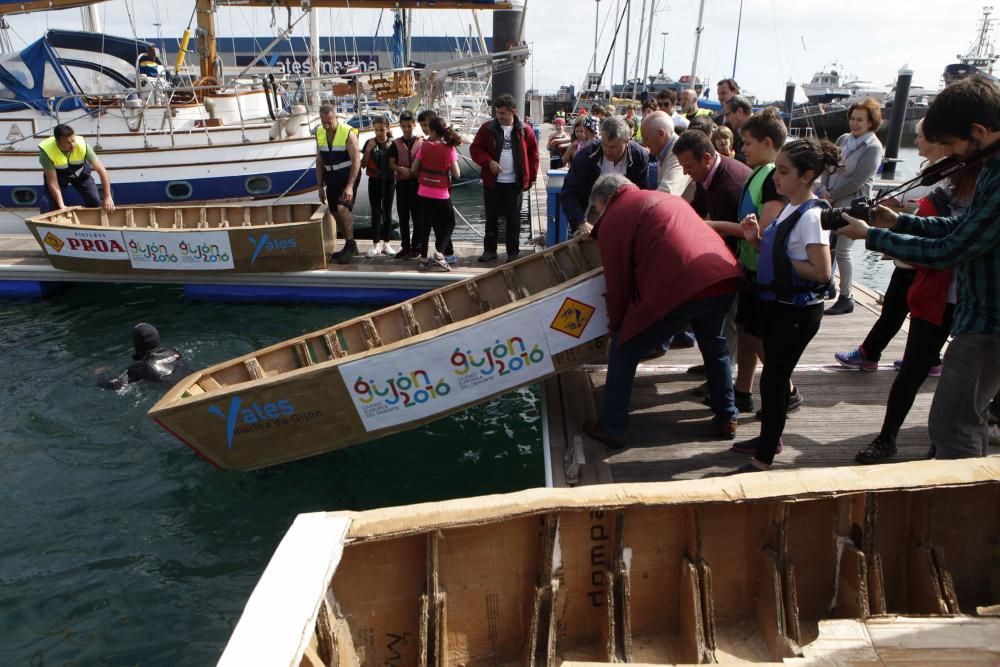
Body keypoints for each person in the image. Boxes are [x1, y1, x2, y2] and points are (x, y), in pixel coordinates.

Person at [836, 75, 1000, 460]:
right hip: (980, 317)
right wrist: (898, 221)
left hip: (991, 324)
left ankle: (957, 509)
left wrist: (870, 236)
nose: (950, 154)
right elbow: (964, 227)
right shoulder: (990, 164)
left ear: (978, 131)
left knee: (953, 424)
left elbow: (951, 249)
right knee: (959, 420)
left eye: (951, 145)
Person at [581, 174, 745, 449]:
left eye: (597, 210)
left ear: (604, 201)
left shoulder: (615, 217)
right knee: (715, 346)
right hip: (721, 274)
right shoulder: (666, 198)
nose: (598, 216)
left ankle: (612, 427)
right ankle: (727, 416)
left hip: (682, 284)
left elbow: (618, 284)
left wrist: (616, 330)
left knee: (624, 350)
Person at [854, 164, 978, 463]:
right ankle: (888, 437)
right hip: (938, 296)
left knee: (967, 381)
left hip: (976, 302)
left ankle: (943, 439)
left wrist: (876, 235)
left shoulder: (989, 190)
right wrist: (897, 221)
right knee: (912, 370)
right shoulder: (947, 190)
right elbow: (946, 229)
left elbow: (948, 247)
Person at [730, 138, 838, 473]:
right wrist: (757, 241)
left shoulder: (811, 216)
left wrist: (779, 257)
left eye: (784, 171)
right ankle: (769, 438)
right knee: (772, 378)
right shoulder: (791, 205)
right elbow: (780, 253)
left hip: (798, 310)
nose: (776, 177)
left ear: (806, 176)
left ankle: (764, 456)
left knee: (774, 381)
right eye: (776, 168)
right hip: (780, 305)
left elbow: (819, 270)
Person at [834, 119, 951, 372]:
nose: (916, 140)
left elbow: (931, 211)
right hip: (909, 252)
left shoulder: (946, 176)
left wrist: (903, 210)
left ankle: (876, 355)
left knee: (899, 308)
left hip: (919, 252)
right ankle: (923, 358)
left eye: (920, 136)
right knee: (897, 308)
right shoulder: (929, 170)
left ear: (937, 142)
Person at [817, 98, 884, 314]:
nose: (855, 123)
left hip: (852, 205)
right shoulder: (844, 139)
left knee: (844, 251)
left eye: (860, 120)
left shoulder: (873, 147)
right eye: (853, 118)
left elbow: (857, 180)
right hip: (831, 200)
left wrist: (833, 195)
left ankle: (847, 297)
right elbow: (828, 163)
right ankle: (829, 285)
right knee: (827, 245)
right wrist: (825, 189)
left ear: (870, 122)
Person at [470, 94, 540, 263]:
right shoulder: (487, 129)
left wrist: (530, 179)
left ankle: (513, 252)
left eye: (502, 113)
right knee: (491, 218)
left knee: (514, 220)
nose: (499, 116)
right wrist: (489, 162)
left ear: (512, 112)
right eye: (497, 113)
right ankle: (489, 251)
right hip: (493, 182)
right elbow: (475, 149)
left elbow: (534, 155)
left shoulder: (525, 130)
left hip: (514, 184)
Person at [561, 117, 650, 234]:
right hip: (591, 210)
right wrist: (580, 222)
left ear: (626, 141)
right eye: (604, 145)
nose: (607, 151)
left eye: (613, 147)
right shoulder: (585, 157)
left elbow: (641, 194)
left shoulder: (639, 156)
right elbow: (569, 192)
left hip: (625, 212)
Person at [411, 116, 462, 271]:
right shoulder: (450, 149)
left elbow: (414, 169)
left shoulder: (424, 146)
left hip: (423, 192)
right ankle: (440, 253)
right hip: (441, 194)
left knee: (425, 226)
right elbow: (457, 174)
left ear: (432, 131)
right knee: (449, 223)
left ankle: (424, 259)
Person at [315, 105, 361, 263]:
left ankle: (350, 244)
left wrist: (350, 186)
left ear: (336, 118)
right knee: (334, 210)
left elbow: (356, 161)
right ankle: (350, 245)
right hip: (332, 176)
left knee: (342, 208)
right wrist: (320, 186)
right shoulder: (320, 132)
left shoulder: (348, 133)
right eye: (323, 122)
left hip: (348, 174)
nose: (326, 125)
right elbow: (320, 160)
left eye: (329, 121)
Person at [38, 124, 115, 214]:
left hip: (81, 175)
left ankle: (89, 225)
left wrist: (108, 196)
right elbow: (53, 183)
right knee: (46, 205)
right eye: (68, 143)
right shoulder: (46, 153)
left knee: (95, 201)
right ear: (58, 142)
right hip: (59, 178)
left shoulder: (83, 145)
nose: (72, 145)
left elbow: (102, 171)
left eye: (73, 141)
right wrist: (62, 205)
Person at [97, 323, 190, 390]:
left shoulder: (140, 366)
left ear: (137, 344)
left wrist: (100, 374)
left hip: (175, 393)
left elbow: (117, 386)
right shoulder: (173, 352)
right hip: (192, 383)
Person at [360, 115, 397, 257]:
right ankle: (376, 244)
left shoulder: (394, 144)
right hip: (374, 181)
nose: (379, 133)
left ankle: (386, 243)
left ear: (388, 129)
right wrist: (368, 150)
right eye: (376, 130)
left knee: (387, 212)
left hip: (389, 181)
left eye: (381, 130)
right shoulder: (369, 143)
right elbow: (363, 165)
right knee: (375, 212)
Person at [389, 110, 423, 260]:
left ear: (414, 125)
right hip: (402, 184)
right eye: (404, 126)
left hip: (417, 184)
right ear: (400, 126)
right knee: (403, 217)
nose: (407, 129)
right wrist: (399, 169)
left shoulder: (422, 142)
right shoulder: (395, 144)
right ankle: (405, 246)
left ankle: (417, 246)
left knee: (417, 216)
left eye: (409, 126)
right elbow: (391, 164)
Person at [639, 110, 692, 200]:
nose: (644, 144)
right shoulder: (664, 151)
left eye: (646, 138)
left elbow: (667, 194)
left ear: (661, 133)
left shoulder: (680, 153)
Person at [722, 95, 752, 164]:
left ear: (739, 111)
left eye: (727, 115)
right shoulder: (736, 132)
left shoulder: (760, 130)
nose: (726, 120)